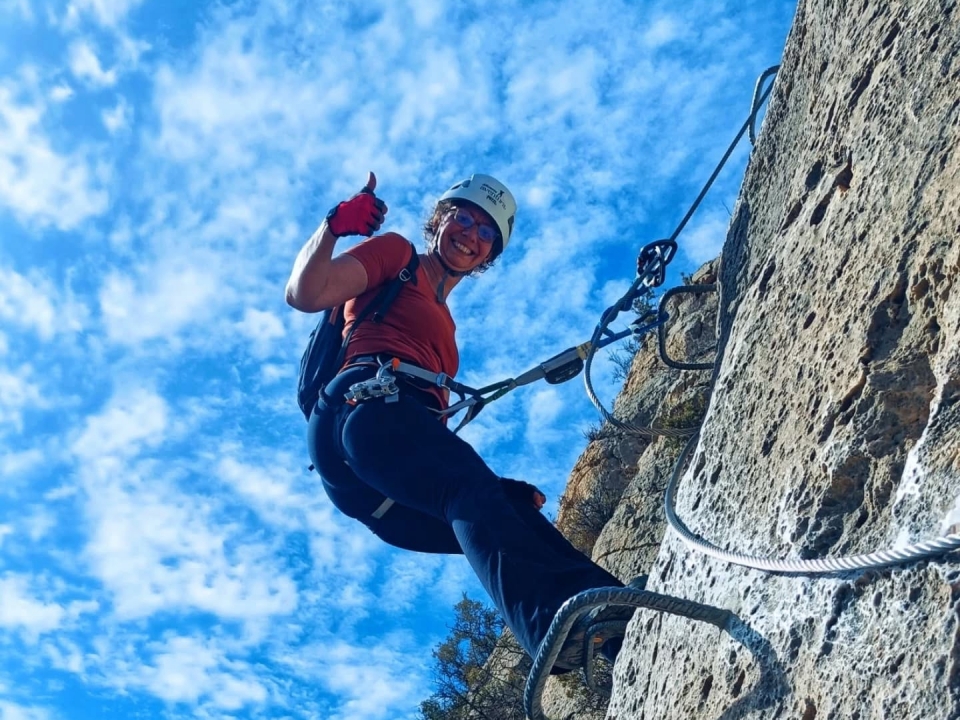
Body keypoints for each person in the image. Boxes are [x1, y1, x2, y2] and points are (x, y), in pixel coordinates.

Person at [285, 171, 631, 672]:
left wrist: (492, 490)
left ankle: (612, 626)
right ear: (439, 220)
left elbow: (430, 447)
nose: (471, 234)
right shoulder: (398, 257)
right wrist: (333, 226)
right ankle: (552, 627)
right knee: (470, 492)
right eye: (462, 218)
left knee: (510, 511)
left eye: (486, 232)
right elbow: (305, 292)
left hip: (375, 489)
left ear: (490, 254)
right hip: (362, 408)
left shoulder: (446, 330)